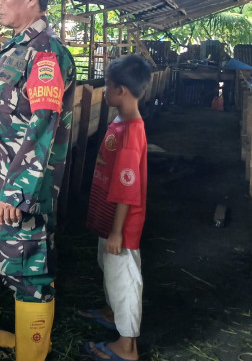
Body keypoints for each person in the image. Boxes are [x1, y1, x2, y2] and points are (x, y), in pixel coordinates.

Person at [0, 0, 76, 361]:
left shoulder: (45, 54)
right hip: (2, 185)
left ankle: (33, 355)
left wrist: (17, 191)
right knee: (17, 267)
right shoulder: (19, 49)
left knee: (30, 271)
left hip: (18, 191)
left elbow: (43, 125)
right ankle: (29, 341)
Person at [80, 54, 151, 361]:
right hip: (109, 219)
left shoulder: (131, 133)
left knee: (124, 278)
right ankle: (112, 313)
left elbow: (127, 189)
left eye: (107, 86)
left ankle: (127, 346)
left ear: (121, 90)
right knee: (108, 269)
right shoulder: (120, 122)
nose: (104, 91)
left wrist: (117, 232)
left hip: (121, 224)